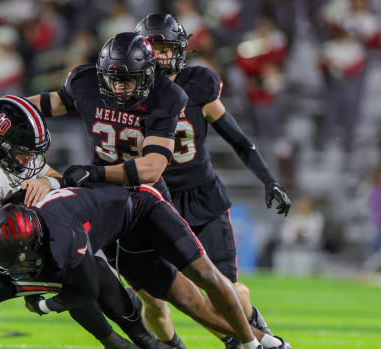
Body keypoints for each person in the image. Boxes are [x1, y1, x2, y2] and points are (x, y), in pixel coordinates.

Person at [0, 95, 169, 349]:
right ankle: (123, 342)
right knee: (83, 274)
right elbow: (1, 238)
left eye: (32, 154)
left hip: (16, 240)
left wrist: (46, 182)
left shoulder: (15, 154)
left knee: (86, 267)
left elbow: (58, 179)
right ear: (1, 144)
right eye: (22, 153)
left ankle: (139, 339)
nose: (29, 160)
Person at [135, 13, 291, 349]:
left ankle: (247, 332)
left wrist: (267, 178)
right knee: (153, 298)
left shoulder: (198, 85)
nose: (160, 55)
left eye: (165, 47)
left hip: (200, 198)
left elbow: (238, 139)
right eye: (153, 47)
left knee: (229, 291)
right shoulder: (129, 90)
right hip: (155, 200)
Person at [0, 185, 291, 349]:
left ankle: (254, 343)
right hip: (122, 238)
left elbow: (87, 287)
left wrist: (46, 306)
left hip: (145, 210)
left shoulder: (61, 236)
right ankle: (270, 343)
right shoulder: (29, 221)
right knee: (187, 303)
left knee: (206, 277)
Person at [26, 32, 187, 200]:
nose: (118, 86)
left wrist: (94, 172)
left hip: (145, 192)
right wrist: (6, 107)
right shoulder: (88, 83)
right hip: (101, 188)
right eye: (112, 78)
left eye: (126, 79)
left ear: (146, 76)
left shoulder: (164, 97)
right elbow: (49, 103)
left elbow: (151, 169)